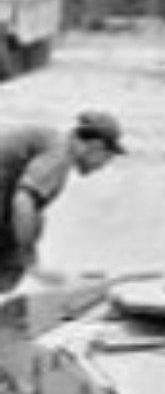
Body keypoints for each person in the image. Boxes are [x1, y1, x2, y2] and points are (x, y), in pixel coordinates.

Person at [0, 112, 124, 293]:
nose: (103, 166)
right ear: (95, 146)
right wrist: (32, 263)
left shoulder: (52, 143)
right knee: (22, 238)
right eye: (107, 157)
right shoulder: (59, 156)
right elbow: (23, 201)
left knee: (32, 225)